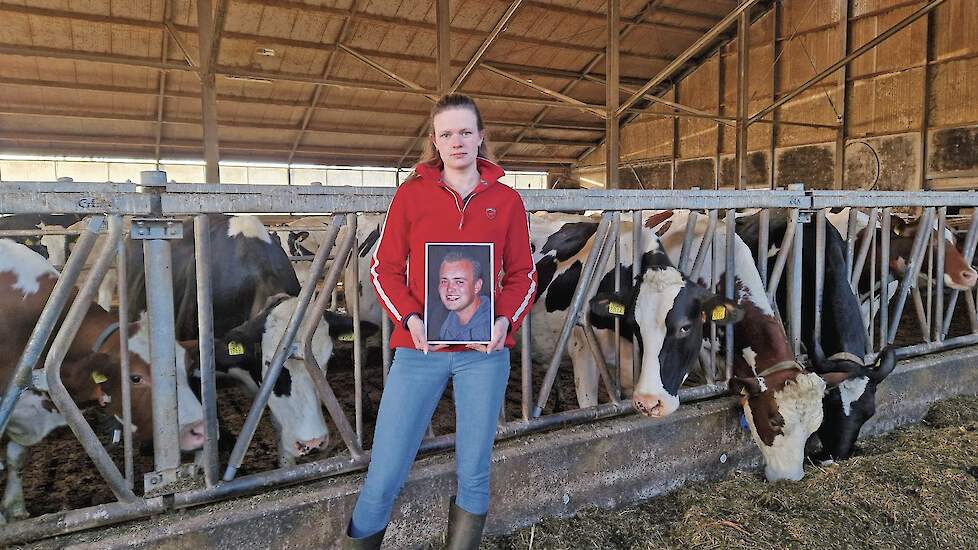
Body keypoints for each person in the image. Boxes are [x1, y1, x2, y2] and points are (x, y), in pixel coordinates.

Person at [343, 93, 537, 549]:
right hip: (419, 352)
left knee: (473, 471)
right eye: (447, 133)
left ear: (481, 137)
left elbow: (524, 273)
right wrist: (409, 318)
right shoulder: (411, 196)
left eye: (466, 132)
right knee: (386, 468)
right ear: (435, 140)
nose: (457, 141)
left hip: (483, 356)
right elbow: (383, 268)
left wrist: (503, 321)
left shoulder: (506, 201)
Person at [436, 251, 491, 342]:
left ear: (477, 286)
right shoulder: (447, 324)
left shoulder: (491, 325)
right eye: (444, 281)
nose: (450, 289)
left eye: (459, 282)